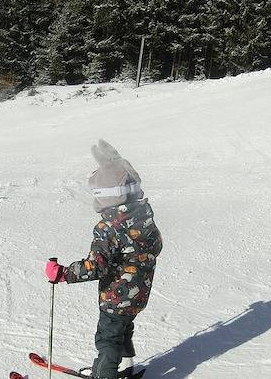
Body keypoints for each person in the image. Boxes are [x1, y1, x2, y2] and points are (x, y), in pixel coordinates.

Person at [43, 140, 162, 379]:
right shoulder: (143, 217)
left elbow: (97, 265)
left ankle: (105, 374)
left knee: (108, 338)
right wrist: (115, 164)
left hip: (116, 298)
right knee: (124, 330)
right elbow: (156, 246)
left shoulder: (108, 227)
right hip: (139, 294)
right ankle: (125, 368)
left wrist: (64, 273)